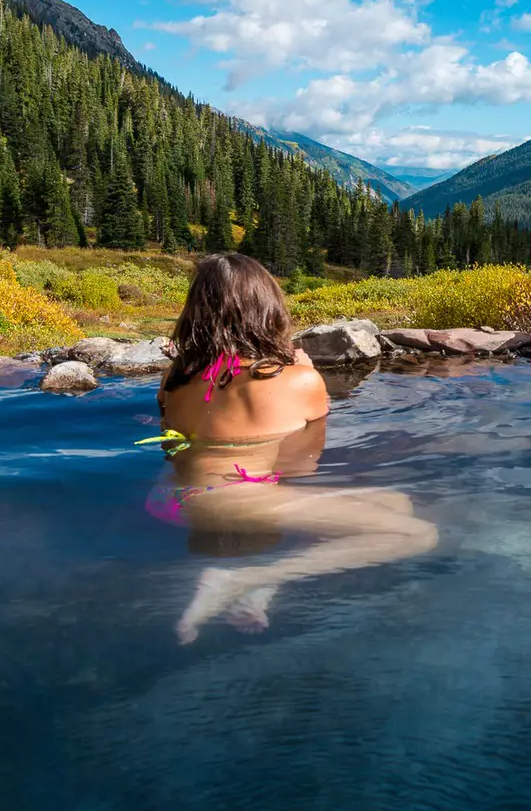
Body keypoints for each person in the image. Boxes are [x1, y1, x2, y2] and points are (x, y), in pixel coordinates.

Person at [152, 253, 435, 643]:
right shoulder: (297, 380)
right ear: (267, 308)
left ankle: (263, 577)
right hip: (232, 501)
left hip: (173, 496)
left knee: (395, 504)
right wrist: (309, 374)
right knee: (416, 535)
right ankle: (246, 577)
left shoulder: (175, 376)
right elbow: (303, 467)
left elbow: (174, 441)